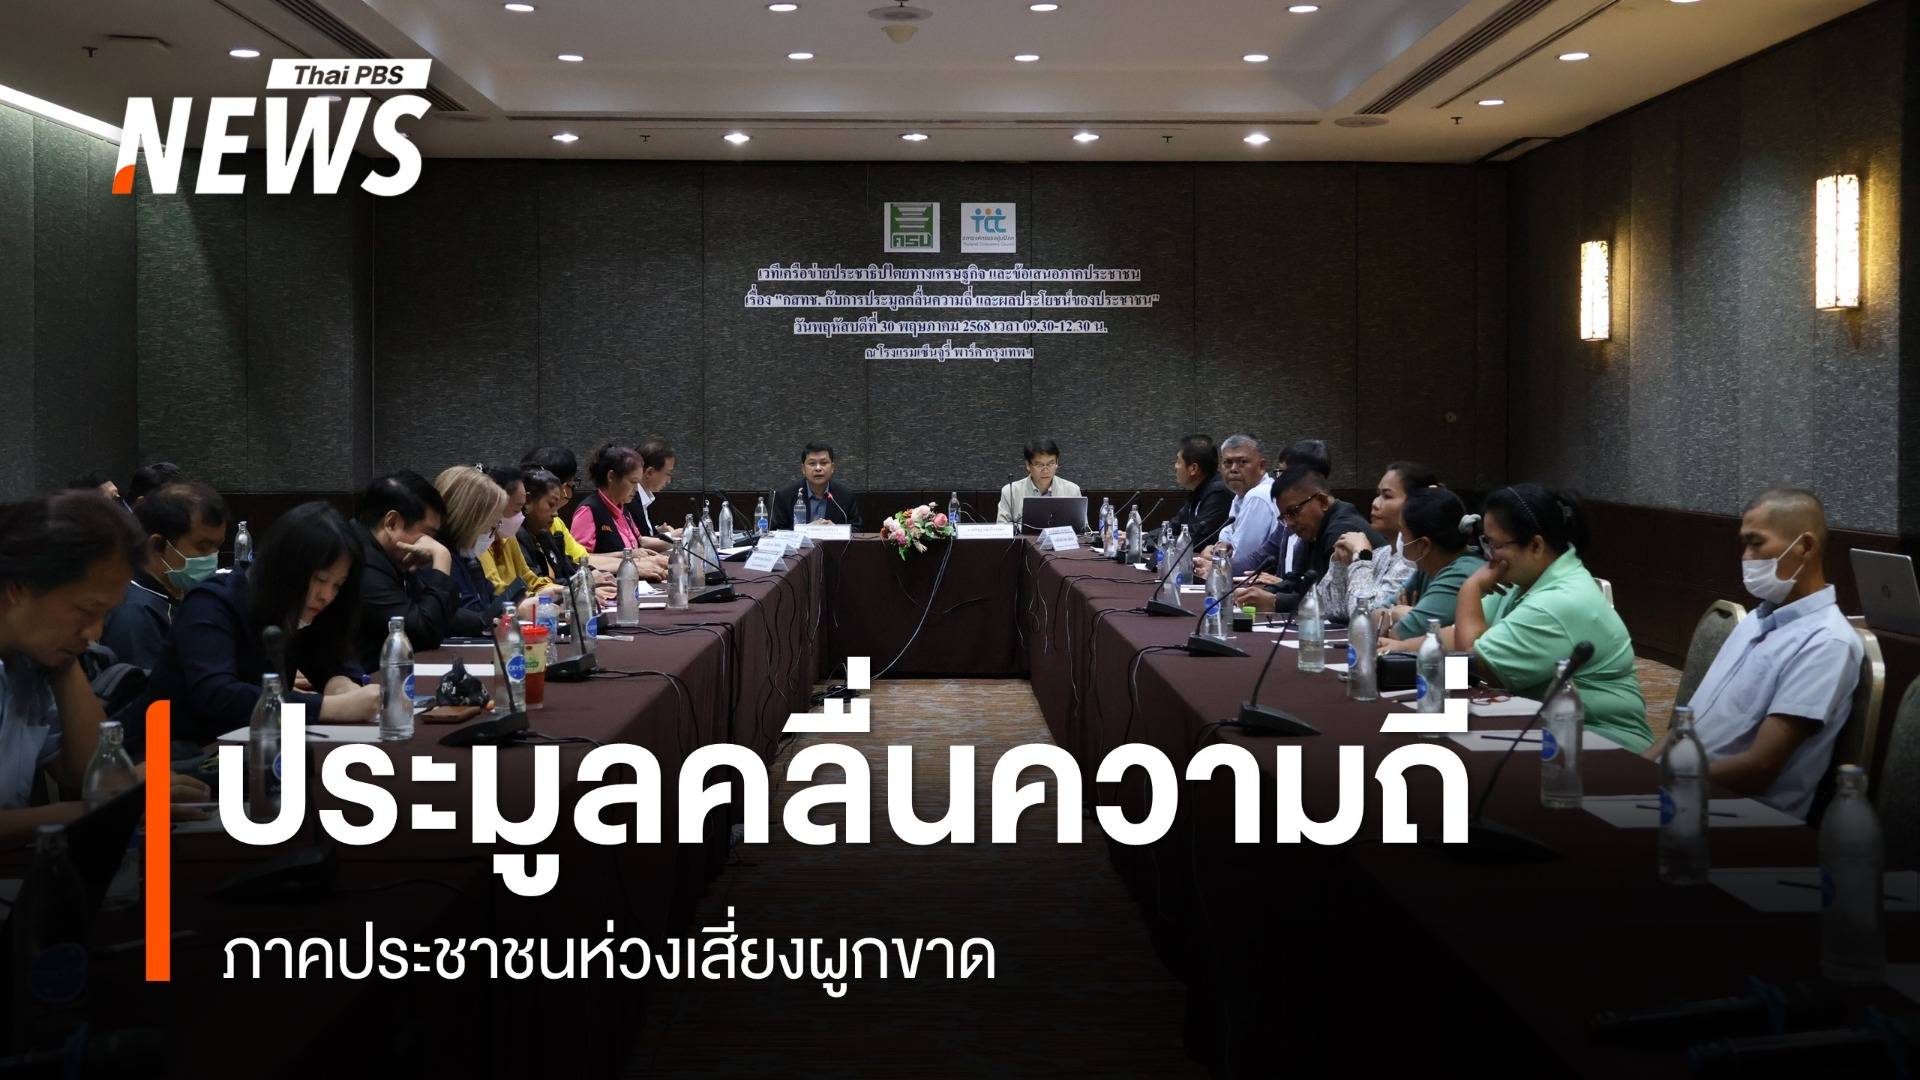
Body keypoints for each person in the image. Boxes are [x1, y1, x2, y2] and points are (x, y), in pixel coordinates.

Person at [0, 494, 209, 842]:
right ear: (18, 588)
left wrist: (66, 664)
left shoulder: (30, 662)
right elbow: (99, 798)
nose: (94, 633)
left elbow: (89, 775)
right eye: (86, 610)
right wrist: (103, 811)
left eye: (104, 615)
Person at [1658, 487, 1862, 818]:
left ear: (1805, 547)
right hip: (1679, 791)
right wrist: (1636, 768)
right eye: (1744, 544)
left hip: (1737, 814)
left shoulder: (1826, 642)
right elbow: (1683, 730)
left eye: (1757, 543)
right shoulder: (1756, 619)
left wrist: (1654, 781)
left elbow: (1760, 768)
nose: (1746, 556)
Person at [142, 502, 379, 748]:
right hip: (165, 754)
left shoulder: (301, 608)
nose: (326, 596)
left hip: (247, 749)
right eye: (321, 579)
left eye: (338, 585)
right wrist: (329, 707)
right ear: (288, 566)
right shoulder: (211, 602)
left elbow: (331, 655)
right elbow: (218, 695)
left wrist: (340, 683)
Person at [1449, 484, 1651, 752]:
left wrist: (1470, 588)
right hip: (1547, 726)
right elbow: (1458, 632)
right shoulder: (1525, 580)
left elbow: (1472, 662)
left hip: (1602, 740)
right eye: (1485, 542)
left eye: (1495, 545)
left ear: (1535, 545)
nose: (1489, 556)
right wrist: (1400, 646)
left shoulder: (1559, 602)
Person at [351, 470, 488, 668]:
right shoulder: (361, 561)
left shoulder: (390, 556)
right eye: (428, 533)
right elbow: (424, 633)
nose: (431, 543)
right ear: (392, 523)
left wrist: (485, 622)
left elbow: (432, 613)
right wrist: (442, 558)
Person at [100, 482, 229, 671]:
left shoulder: (181, 592)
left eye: (217, 547)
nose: (212, 557)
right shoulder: (136, 615)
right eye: (202, 547)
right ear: (157, 546)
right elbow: (147, 690)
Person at [1233, 465, 1382, 620]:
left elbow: (1330, 601)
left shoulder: (1342, 530)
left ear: (1322, 501)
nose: (1289, 524)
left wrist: (1275, 602)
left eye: (1293, 512)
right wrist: (1264, 592)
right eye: (1284, 517)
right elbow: (1297, 580)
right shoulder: (1314, 527)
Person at [1321, 462, 1438, 623]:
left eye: (1387, 496)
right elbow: (1332, 610)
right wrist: (1339, 564)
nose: (1375, 503)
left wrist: (1361, 557)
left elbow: (1365, 619)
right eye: (1378, 494)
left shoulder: (1415, 560)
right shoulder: (1380, 554)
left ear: (1417, 503)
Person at [1379, 487, 1487, 648]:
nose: (1400, 540)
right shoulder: (1426, 567)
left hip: (1461, 664)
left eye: (1403, 532)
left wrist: (1399, 615)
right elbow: (1370, 617)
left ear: (1423, 545)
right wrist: (1395, 613)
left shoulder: (1462, 573)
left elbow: (1402, 634)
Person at [437, 465, 515, 620]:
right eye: (491, 526)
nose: (494, 535)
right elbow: (468, 613)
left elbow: (490, 599)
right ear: (470, 521)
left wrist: (516, 604)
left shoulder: (467, 556)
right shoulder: (436, 559)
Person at [1196, 435, 1275, 577]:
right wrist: (1219, 548)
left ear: (1262, 466)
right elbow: (1226, 541)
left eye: (1242, 462)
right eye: (1227, 463)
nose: (1233, 469)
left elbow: (1242, 559)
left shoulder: (1259, 495)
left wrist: (1213, 557)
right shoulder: (1240, 496)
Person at [771, 443, 862, 530]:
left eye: (823, 463)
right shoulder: (785, 496)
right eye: (812, 463)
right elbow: (775, 532)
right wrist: (807, 530)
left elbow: (857, 529)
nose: (818, 468)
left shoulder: (845, 495)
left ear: (832, 468)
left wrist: (836, 530)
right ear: (803, 469)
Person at [996, 438, 1083, 524]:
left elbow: (1082, 528)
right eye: (1039, 465)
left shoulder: (1072, 491)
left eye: (1050, 464)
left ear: (1057, 462)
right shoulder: (1010, 492)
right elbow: (1002, 527)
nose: (1045, 471)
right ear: (1028, 465)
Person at [1169, 434, 1231, 548]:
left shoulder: (1218, 493)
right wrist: (1144, 538)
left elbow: (1197, 539)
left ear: (1193, 468)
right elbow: (1174, 526)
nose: (1175, 466)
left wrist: (1163, 542)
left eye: (1178, 461)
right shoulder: (1197, 490)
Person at [625, 438, 681, 551]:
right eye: (668, 474)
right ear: (650, 472)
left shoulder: (644, 497)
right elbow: (637, 543)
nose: (669, 481)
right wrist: (671, 536)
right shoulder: (629, 500)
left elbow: (644, 533)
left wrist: (657, 531)